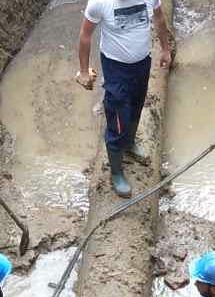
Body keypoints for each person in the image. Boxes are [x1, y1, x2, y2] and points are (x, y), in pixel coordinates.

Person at [74, 0, 172, 198]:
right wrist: (84, 71)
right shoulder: (99, 3)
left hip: (142, 63)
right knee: (118, 117)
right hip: (115, 68)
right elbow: (85, 36)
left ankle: (129, 143)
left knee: (136, 107)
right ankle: (117, 172)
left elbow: (160, 18)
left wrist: (166, 49)